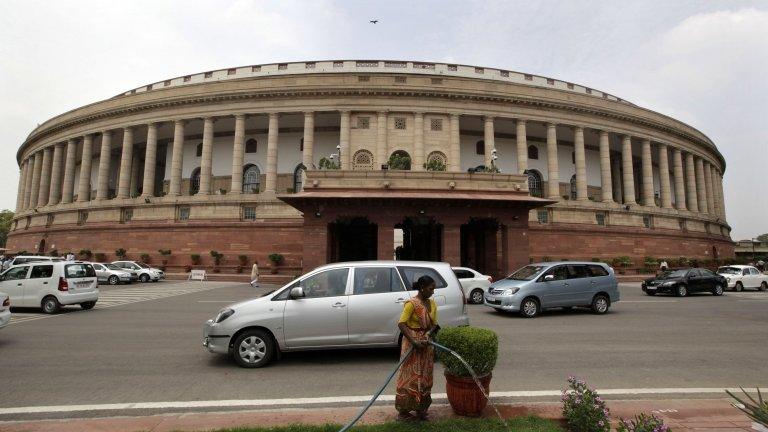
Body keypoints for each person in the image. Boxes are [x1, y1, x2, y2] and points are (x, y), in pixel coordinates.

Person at [395, 275, 438, 421]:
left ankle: (421, 410)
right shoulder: (412, 303)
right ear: (422, 288)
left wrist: (428, 335)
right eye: (431, 289)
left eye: (434, 289)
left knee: (425, 377)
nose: (433, 292)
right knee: (410, 378)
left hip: (426, 346)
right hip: (412, 345)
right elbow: (401, 323)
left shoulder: (432, 304)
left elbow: (434, 326)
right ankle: (404, 412)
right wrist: (414, 341)